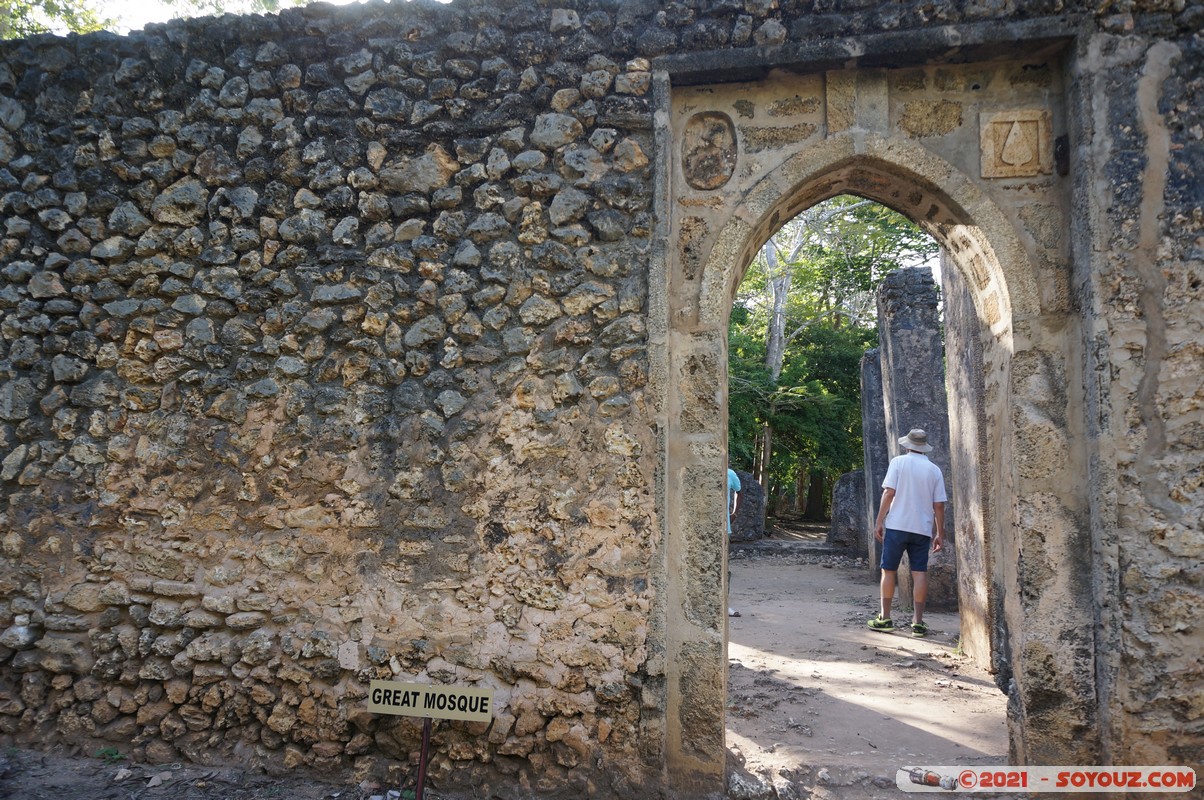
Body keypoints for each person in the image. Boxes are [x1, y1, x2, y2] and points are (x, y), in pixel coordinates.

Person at [868, 428, 946, 637]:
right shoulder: (934, 470)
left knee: (889, 570)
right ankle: (918, 623)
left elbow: (889, 492)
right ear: (923, 447)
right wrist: (940, 532)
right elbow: (938, 505)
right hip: (922, 528)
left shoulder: (898, 463)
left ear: (907, 445)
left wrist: (879, 520)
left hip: (897, 525)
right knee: (919, 572)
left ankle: (885, 617)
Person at [727, 466, 742, 618]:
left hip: (725, 528)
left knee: (724, 568)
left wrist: (735, 513)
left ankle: (725, 603)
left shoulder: (730, 473)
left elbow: (739, 491)